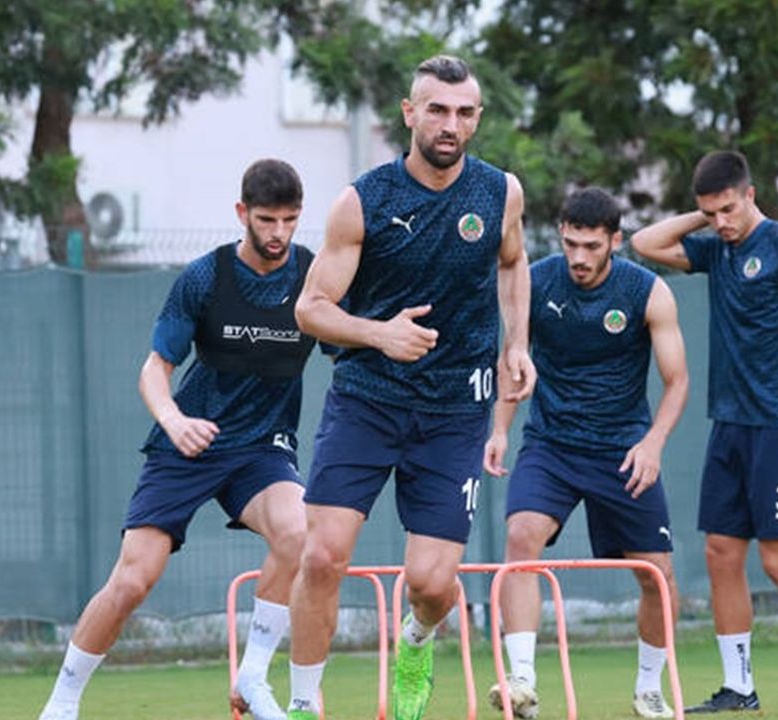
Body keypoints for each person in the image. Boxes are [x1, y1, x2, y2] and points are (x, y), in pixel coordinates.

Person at [287, 55, 535, 720]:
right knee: (322, 555)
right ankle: (304, 704)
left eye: (463, 113)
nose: (449, 124)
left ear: (477, 118)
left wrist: (518, 343)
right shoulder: (363, 201)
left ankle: (417, 643)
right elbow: (311, 309)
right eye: (437, 110)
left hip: (457, 409)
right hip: (368, 398)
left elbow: (513, 264)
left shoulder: (500, 193)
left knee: (430, 583)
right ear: (409, 113)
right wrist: (380, 333)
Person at [37, 159, 314, 720]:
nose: (278, 233)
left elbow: (348, 339)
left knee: (299, 533)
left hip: (263, 448)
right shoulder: (205, 277)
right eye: (266, 219)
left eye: (289, 220)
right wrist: (173, 421)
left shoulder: (314, 276)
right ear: (242, 213)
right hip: (188, 445)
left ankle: (255, 677)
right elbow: (154, 368)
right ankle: (61, 703)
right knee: (133, 580)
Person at [632, 150, 778, 712]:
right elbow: (644, 244)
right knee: (720, 552)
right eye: (711, 212)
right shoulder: (717, 248)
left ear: (752, 194)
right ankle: (739, 686)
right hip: (730, 423)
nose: (722, 222)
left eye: (729, 209)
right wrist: (701, 217)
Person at [483, 187, 689, 719]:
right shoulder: (539, 279)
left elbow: (678, 381)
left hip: (623, 449)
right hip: (551, 445)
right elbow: (515, 357)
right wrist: (501, 430)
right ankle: (522, 683)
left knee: (657, 577)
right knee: (521, 537)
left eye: (591, 246)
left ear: (615, 241)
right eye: (570, 243)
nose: (578, 256)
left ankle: (648, 688)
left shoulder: (648, 293)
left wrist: (653, 444)